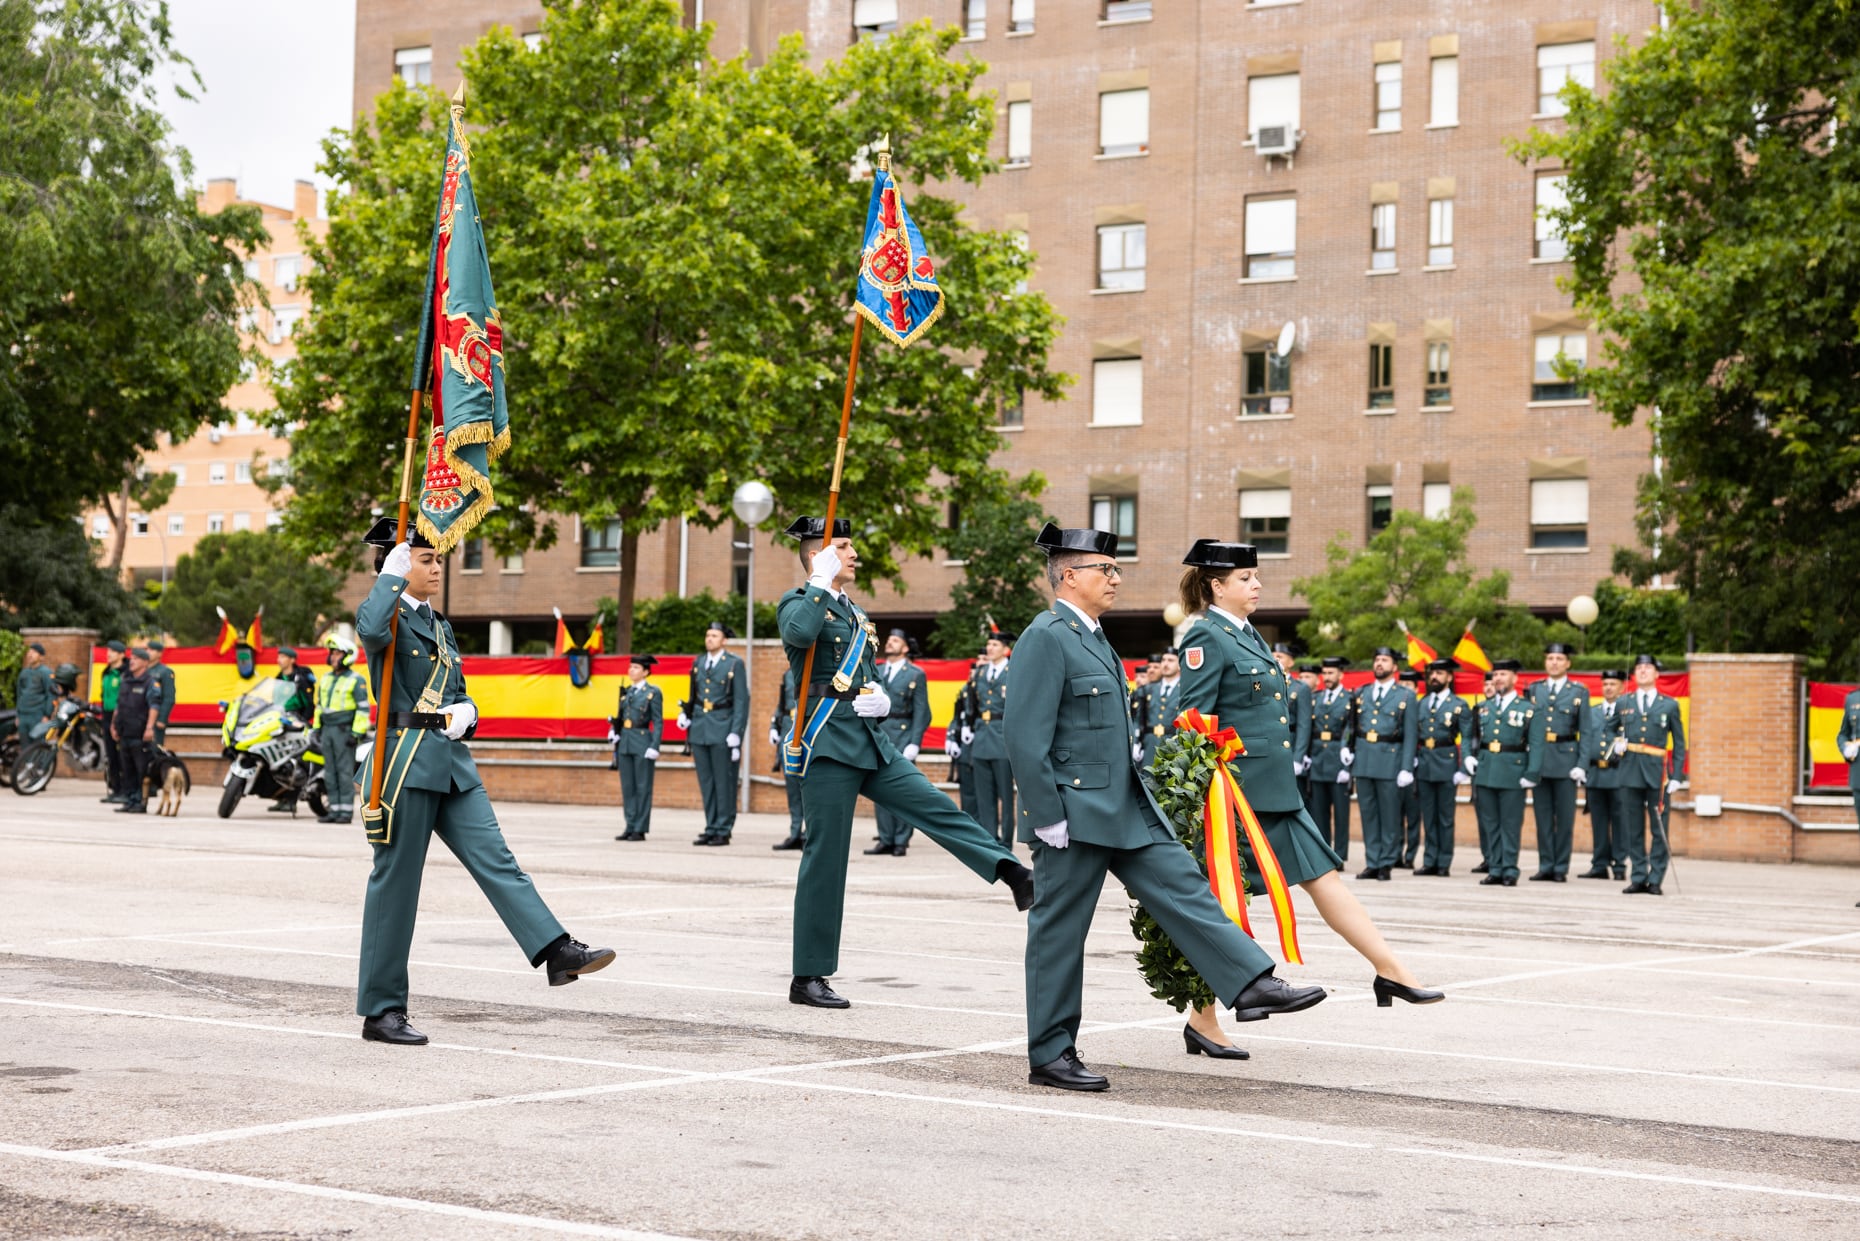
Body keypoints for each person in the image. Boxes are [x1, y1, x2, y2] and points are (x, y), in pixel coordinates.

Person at [1011, 526, 1334, 1092]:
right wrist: (1046, 815)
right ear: (1068, 575)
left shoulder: (1092, 636)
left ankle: (1251, 980)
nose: (1114, 578)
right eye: (1103, 570)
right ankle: (1052, 1055)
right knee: (1060, 932)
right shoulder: (1047, 636)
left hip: (1124, 802)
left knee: (1184, 884)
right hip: (1074, 810)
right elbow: (1024, 733)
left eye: (1115, 569)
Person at [354, 518, 614, 1045]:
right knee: (397, 887)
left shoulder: (440, 624)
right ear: (396, 563)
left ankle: (555, 950)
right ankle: (382, 1010)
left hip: (450, 761)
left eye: (435, 559)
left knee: (497, 859)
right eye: (424, 559)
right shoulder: (386, 612)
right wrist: (390, 577)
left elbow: (458, 686)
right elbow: (371, 631)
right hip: (403, 764)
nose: (436, 566)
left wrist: (467, 712)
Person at [777, 515, 1033, 1010]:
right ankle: (807, 975)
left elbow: (866, 676)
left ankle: (1012, 874)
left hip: (869, 739)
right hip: (827, 743)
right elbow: (799, 635)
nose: (854, 554)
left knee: (934, 804)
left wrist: (882, 701)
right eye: (844, 547)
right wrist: (815, 583)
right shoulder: (799, 602)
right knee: (825, 860)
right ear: (818, 555)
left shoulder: (856, 614)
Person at [1608, 654, 1687, 896]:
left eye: (1648, 668)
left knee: (1658, 828)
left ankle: (1655, 879)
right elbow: (1608, 729)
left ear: (1656, 674)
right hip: (1630, 769)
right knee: (1633, 828)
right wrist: (1615, 746)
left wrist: (1676, 777)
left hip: (1658, 773)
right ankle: (1638, 876)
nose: (1643, 671)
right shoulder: (1624, 703)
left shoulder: (1669, 705)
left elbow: (1680, 744)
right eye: (1639, 668)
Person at [1465, 658, 1541, 886]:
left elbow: (1537, 744)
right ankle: (1495, 867)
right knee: (1490, 823)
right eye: (1495, 675)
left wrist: (1532, 772)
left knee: (1509, 823)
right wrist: (1468, 756)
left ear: (1515, 679)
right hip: (1487, 769)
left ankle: (1509, 869)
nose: (1498, 679)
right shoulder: (1483, 707)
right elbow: (1470, 735)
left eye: (1503, 674)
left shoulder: (1528, 709)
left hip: (1513, 770)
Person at [1350, 646, 1418, 881]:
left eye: (1385, 660)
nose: (1379, 663)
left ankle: (1386, 863)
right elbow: (1353, 726)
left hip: (1391, 759)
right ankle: (1373, 861)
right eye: (1377, 659)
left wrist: (1407, 767)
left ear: (1394, 667)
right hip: (1365, 758)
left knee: (1389, 815)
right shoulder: (1361, 692)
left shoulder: (1406, 696)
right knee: (1368, 814)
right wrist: (1347, 751)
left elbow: (1411, 735)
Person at [682, 620, 748, 846]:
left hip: (723, 727)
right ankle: (711, 826)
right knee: (707, 782)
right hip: (700, 728)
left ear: (724, 640)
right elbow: (695, 695)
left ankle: (723, 827)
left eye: (714, 635)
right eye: (707, 635)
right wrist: (687, 715)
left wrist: (736, 733)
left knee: (724, 781)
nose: (709, 639)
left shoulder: (733, 664)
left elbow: (741, 701)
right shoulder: (698, 663)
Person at [867, 628, 932, 857]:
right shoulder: (877, 670)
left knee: (904, 790)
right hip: (880, 732)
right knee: (879, 787)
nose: (890, 643)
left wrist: (915, 742)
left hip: (903, 735)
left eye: (896, 640)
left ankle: (901, 840)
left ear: (905, 647)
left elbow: (922, 712)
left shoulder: (915, 674)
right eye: (890, 639)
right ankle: (885, 838)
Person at [1527, 642, 1587, 882]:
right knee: (1542, 817)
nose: (1554, 662)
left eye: (1559, 659)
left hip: (1566, 760)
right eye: (1550, 658)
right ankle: (1545, 864)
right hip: (1541, 761)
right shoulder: (1534, 690)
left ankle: (1560, 867)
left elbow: (1587, 731)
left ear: (1568, 663)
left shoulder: (1578, 692)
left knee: (1564, 819)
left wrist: (1581, 764)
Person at [1413, 658, 1471, 876]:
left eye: (1439, 673)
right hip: (1425, 762)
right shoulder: (1422, 703)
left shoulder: (1459, 705)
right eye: (1432, 674)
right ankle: (1430, 860)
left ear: (1449, 677)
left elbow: (1466, 737)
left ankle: (1444, 862)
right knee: (1428, 815)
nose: (1434, 677)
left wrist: (1464, 766)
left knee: (1445, 817)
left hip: (1446, 763)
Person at [1577, 669, 1630, 880]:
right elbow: (1585, 740)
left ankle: (1619, 865)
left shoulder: (1628, 712)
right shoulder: (1592, 712)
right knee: (1598, 821)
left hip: (1618, 774)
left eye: (1613, 684)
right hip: (1596, 773)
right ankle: (1599, 864)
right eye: (1605, 684)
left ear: (1621, 687)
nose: (1608, 687)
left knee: (1620, 822)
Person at [313, 634, 371, 824]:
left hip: (344, 730)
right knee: (329, 771)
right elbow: (320, 706)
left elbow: (363, 709)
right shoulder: (326, 678)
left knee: (344, 772)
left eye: (337, 653)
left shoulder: (356, 680)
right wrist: (316, 729)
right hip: (328, 729)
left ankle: (345, 812)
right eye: (332, 653)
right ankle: (334, 810)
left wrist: (356, 733)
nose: (333, 657)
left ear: (347, 655)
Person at [969, 629, 1016, 854]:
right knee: (984, 792)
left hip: (1002, 736)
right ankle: (989, 837)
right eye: (988, 645)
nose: (990, 648)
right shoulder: (980, 673)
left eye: (995, 645)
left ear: (1006, 649)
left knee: (1005, 793)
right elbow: (972, 704)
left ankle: (1006, 840)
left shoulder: (1013, 671)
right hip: (982, 735)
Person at [609, 654, 664, 841]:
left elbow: (657, 721)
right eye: (630, 667)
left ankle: (640, 828)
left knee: (643, 786)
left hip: (642, 741)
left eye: (636, 667)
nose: (631, 670)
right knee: (628, 787)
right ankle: (630, 824)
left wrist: (655, 745)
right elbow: (622, 717)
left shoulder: (652, 692)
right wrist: (614, 731)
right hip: (625, 741)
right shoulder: (627, 692)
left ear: (646, 671)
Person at [1307, 656, 1355, 860]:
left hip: (1338, 760)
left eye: (1331, 673)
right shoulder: (1315, 698)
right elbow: (1308, 729)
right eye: (1324, 673)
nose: (1327, 677)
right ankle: (1325, 856)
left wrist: (1347, 754)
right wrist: (1306, 754)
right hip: (1318, 759)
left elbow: (1351, 727)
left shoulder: (1350, 698)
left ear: (1341, 675)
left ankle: (1341, 855)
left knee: (1341, 815)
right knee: (1319, 813)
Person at [110, 647, 160, 815]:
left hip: (140, 733)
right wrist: (113, 725)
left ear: (145, 663)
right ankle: (130, 800)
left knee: (141, 770)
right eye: (131, 658)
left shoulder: (150, 682)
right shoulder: (126, 680)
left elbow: (154, 706)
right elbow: (119, 705)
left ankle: (140, 801)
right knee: (127, 769)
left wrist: (149, 727)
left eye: (136, 659)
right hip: (124, 731)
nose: (132, 661)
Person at [770, 667, 807, 851]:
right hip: (788, 730)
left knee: (809, 787)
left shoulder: (817, 667)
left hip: (808, 730)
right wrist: (774, 725)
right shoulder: (788, 673)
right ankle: (795, 833)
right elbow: (782, 703)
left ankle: (808, 834)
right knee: (792, 787)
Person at [1397, 666, 1427, 867]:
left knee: (1413, 815)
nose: (1405, 688)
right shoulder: (1398, 706)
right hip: (1398, 765)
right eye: (1403, 684)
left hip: (1418, 767)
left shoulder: (1424, 706)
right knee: (1396, 813)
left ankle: (1411, 855)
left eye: (1409, 685)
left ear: (1416, 688)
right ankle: (1396, 853)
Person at [1135, 648, 1182, 770]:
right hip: (1149, 744)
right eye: (1163, 660)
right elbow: (1138, 719)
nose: (1166, 664)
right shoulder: (1149, 689)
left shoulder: (1183, 690)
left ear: (1179, 665)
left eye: (1171, 660)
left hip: (1172, 745)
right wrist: (1136, 742)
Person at [947, 666, 981, 821]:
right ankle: (971, 825)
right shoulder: (965, 690)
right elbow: (956, 717)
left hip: (983, 743)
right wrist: (951, 738)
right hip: (965, 748)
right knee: (967, 791)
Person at [97, 640, 127, 804]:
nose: (108, 654)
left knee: (122, 755)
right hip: (107, 716)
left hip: (121, 716)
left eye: (113, 652)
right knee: (111, 755)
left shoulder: (125, 673)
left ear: (122, 655)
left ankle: (125, 790)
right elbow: (104, 696)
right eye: (108, 651)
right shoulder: (106, 672)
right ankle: (115, 789)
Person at [15, 642, 54, 741]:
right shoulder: (24, 672)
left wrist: (47, 715)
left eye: (34, 652)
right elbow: (19, 694)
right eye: (29, 652)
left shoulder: (46, 673)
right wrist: (18, 715)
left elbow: (51, 694)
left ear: (41, 657)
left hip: (37, 716)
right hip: (23, 715)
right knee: (24, 747)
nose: (30, 654)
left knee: (37, 746)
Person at [145, 640, 176, 748]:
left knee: (154, 749)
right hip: (141, 717)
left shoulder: (165, 672)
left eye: (152, 650)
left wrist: (162, 719)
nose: (148, 652)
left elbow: (169, 697)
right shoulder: (142, 670)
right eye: (147, 649)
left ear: (159, 653)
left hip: (156, 719)